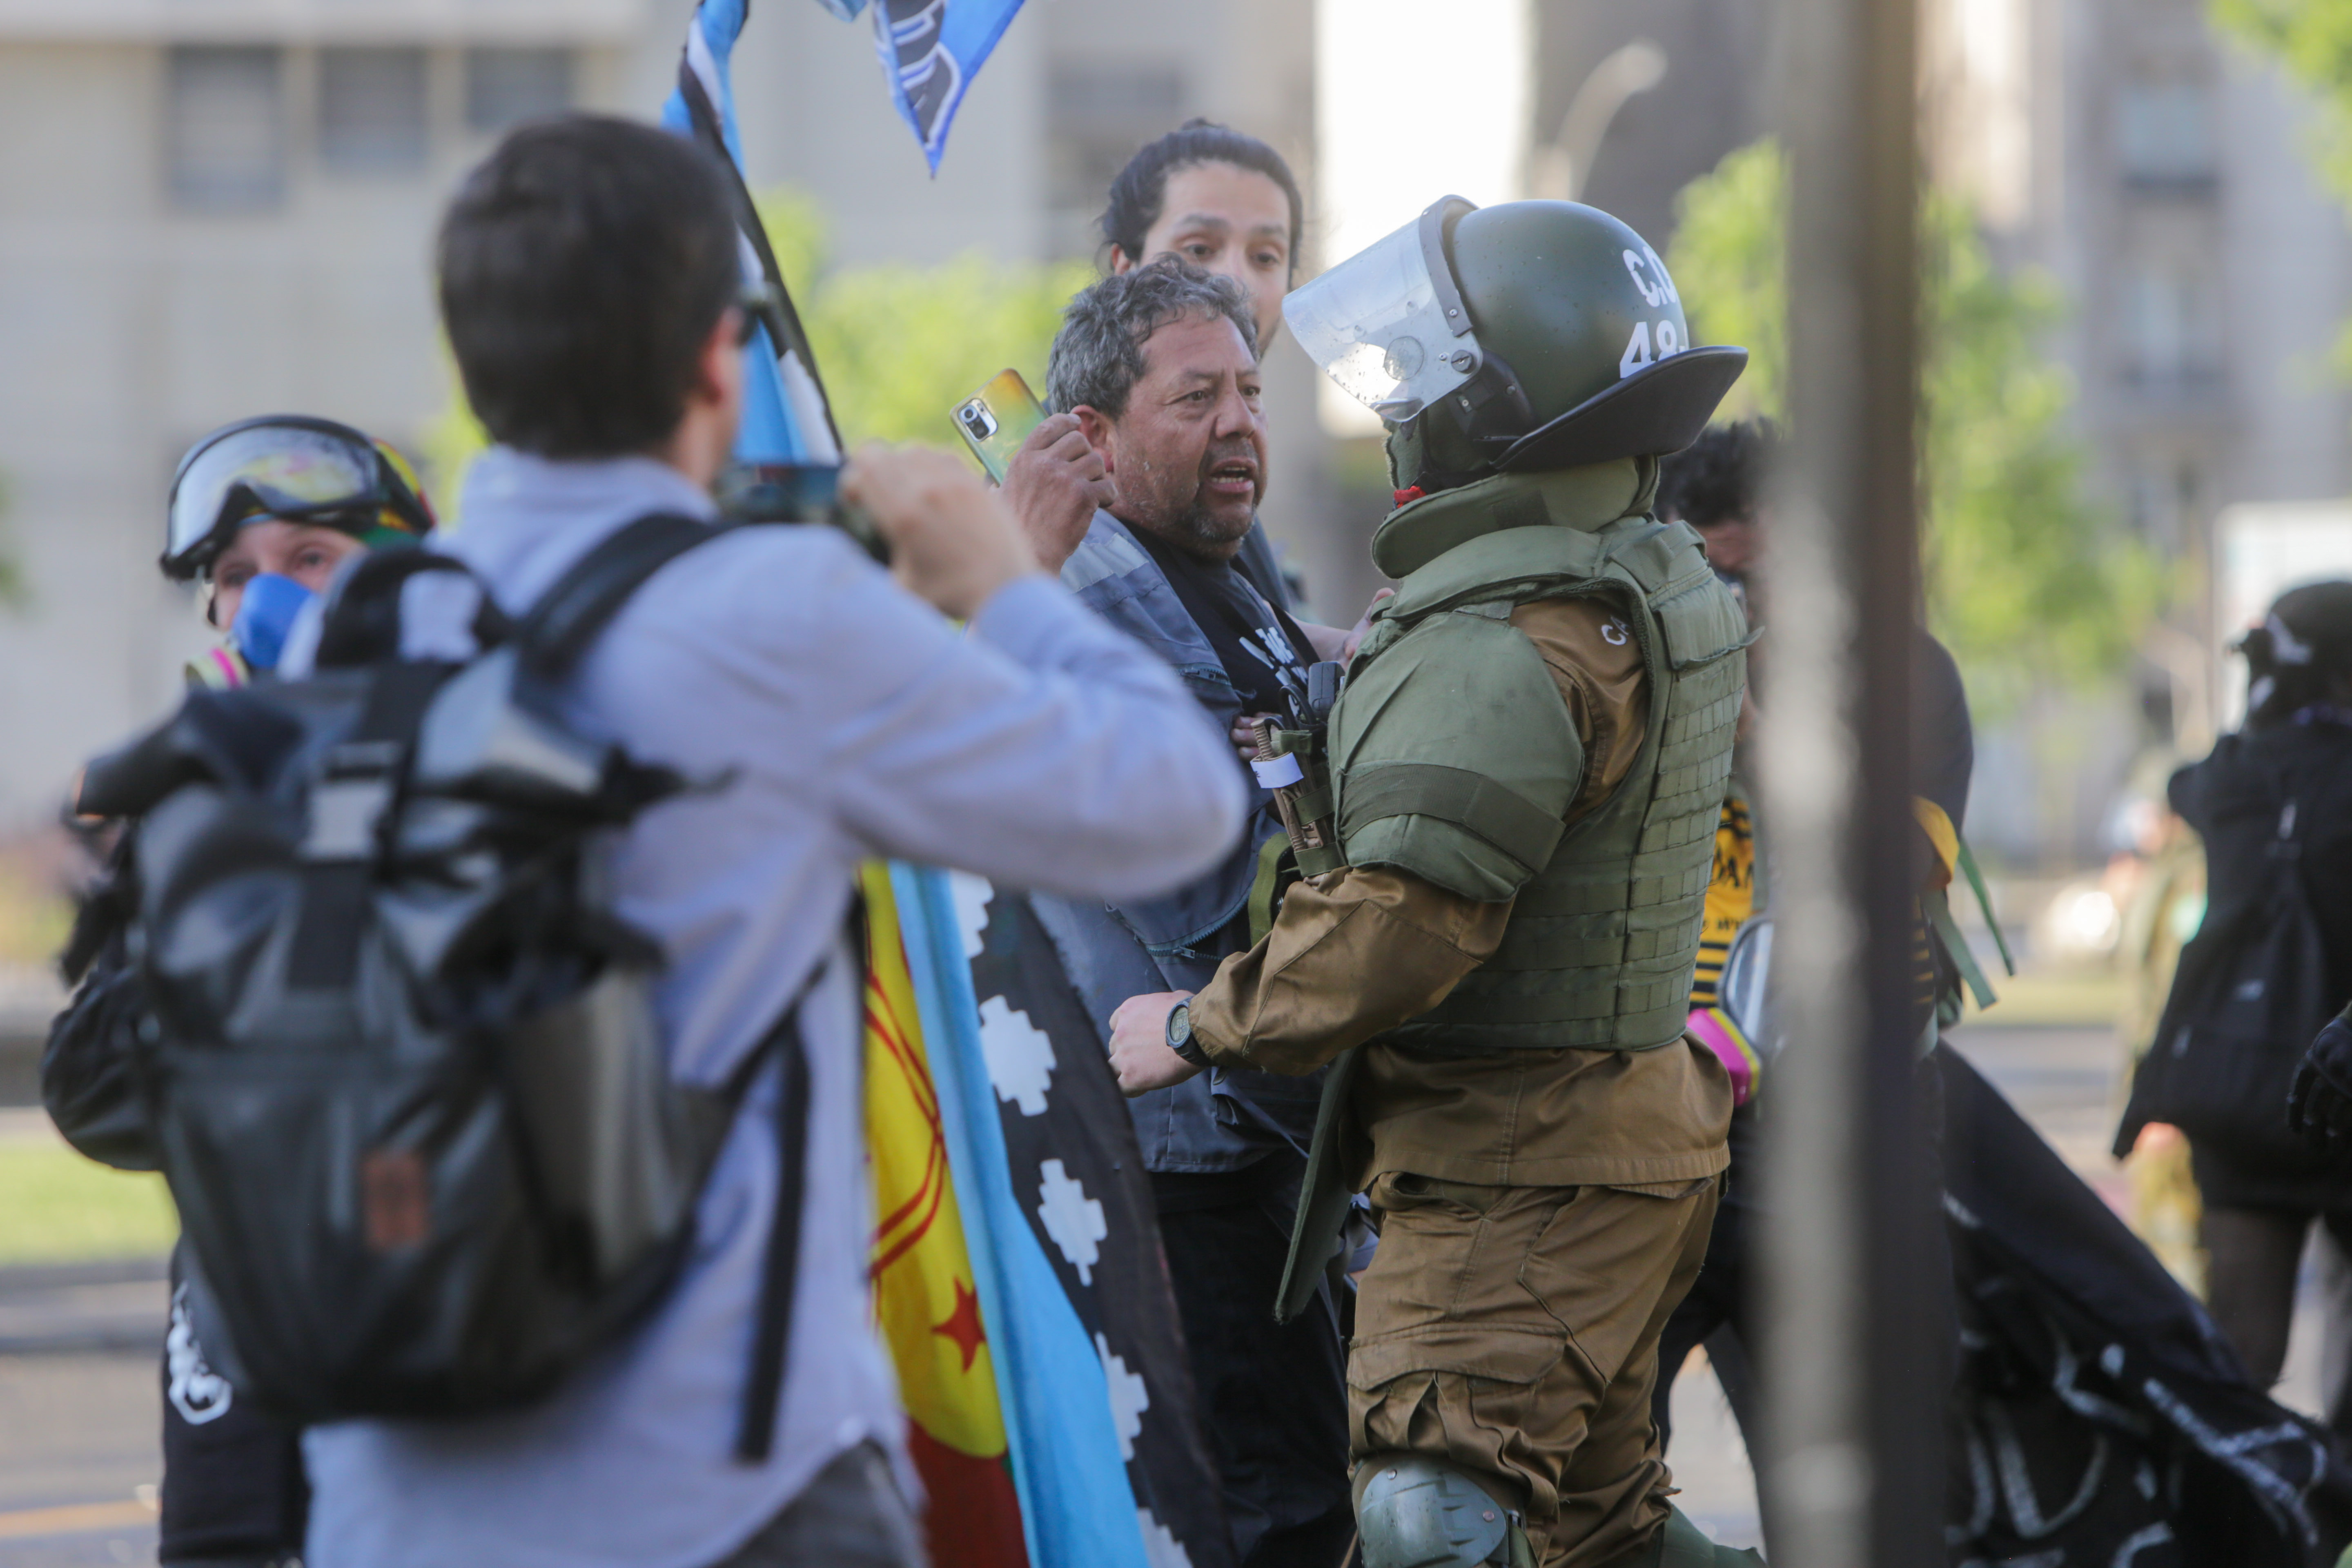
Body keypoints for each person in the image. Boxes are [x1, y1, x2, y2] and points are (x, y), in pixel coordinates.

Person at [294, 114, 1246, 1568]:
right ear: (713, 365)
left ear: (476, 361)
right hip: (718, 1487)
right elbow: (1176, 797)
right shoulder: (774, 618)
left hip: (396, 1483)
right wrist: (1003, 578)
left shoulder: (368, 632)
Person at [1109, 195, 1760, 1567]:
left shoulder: (1502, 636)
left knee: (1427, 1516)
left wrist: (1189, 1025)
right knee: (1604, 1534)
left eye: (1432, 371)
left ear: (1502, 406)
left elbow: (1403, 925)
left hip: (1516, 1167)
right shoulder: (1641, 569)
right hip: (1617, 1143)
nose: (1404, 397)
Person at [43, 414, 433, 1568]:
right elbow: (91, 1089)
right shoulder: (197, 812)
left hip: (447, 1365)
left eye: (312, 559)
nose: (269, 602)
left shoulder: (498, 770)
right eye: (235, 578)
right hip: (239, 1376)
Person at [1024, 255, 1356, 1566]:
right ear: (1094, 436)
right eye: (1195, 397)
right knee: (1268, 1511)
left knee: (1307, 1491)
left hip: (1262, 1109)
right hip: (1181, 1149)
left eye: (1253, 393)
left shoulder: (1223, 563)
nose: (1239, 423)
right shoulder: (1079, 592)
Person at [1001, 120, 1314, 623]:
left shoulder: (1227, 492)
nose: (1236, 278)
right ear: (1126, 271)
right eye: (1198, 249)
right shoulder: (1055, 521)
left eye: (1266, 256)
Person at [2187, 584, 2352, 1422]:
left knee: (2239, 1363)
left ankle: (2238, 1535)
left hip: (2242, 1095)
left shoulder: (2236, 776)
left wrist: (2262, 707)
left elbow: (2195, 791)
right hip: (2342, 1086)